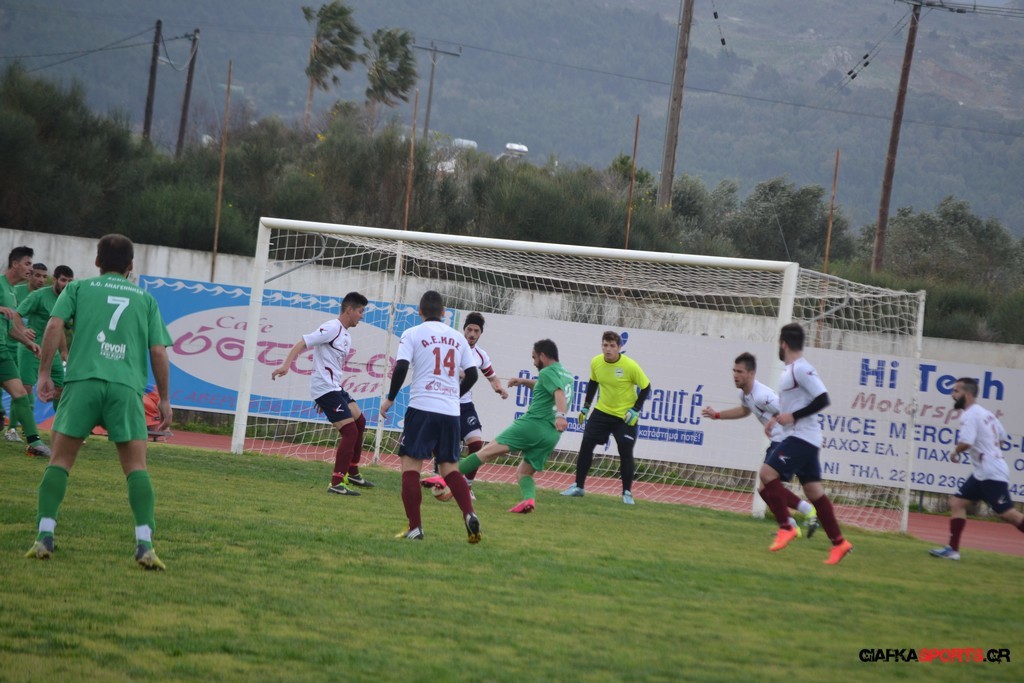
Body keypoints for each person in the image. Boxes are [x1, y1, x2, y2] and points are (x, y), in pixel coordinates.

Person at [25, 234, 173, 570]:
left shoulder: (78, 288)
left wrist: (44, 372)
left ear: (96, 262)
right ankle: (145, 544)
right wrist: (164, 398)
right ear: (131, 266)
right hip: (125, 388)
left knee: (60, 460)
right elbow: (158, 351)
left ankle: (44, 536)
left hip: (83, 383)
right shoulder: (145, 299)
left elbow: (54, 324)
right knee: (136, 467)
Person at [379, 290, 481, 542]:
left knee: (410, 467)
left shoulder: (412, 333)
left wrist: (390, 398)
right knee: (450, 469)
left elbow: (401, 367)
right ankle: (469, 513)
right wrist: (454, 395)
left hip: (422, 407)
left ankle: (415, 527)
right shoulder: (458, 338)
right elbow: (473, 375)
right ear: (444, 312)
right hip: (450, 412)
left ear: (420, 311)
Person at [762, 323, 853, 565]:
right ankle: (839, 542)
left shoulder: (801, 369)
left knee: (767, 473)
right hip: (803, 438)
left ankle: (786, 527)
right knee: (814, 492)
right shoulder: (792, 370)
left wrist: (793, 416)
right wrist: (777, 418)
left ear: (783, 343)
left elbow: (823, 399)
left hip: (803, 437)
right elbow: (794, 404)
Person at [701, 352, 819, 536]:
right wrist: (717, 415)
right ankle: (792, 525)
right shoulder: (744, 394)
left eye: (740, 371)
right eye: (734, 371)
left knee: (768, 482)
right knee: (764, 490)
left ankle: (806, 513)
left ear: (751, 374)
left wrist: (774, 419)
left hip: (787, 440)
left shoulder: (763, 395)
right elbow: (744, 411)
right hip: (777, 441)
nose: (735, 375)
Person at [271, 292, 372, 496]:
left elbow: (329, 364)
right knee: (350, 432)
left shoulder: (345, 335)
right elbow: (303, 342)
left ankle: (352, 472)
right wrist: (286, 365)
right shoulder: (332, 328)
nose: (362, 316)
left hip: (333, 388)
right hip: (325, 389)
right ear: (349, 310)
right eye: (360, 311)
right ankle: (336, 482)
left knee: (360, 421)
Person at [458, 338, 573, 514]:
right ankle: (528, 500)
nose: (534, 362)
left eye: (534, 357)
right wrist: (523, 381)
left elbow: (558, 392)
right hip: (551, 435)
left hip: (533, 425)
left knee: (486, 451)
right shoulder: (566, 375)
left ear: (543, 356)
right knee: (524, 473)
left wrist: (561, 416)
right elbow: (547, 387)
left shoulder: (547, 372)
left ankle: (445, 477)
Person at [929, 377, 1024, 560]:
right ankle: (953, 551)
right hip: (983, 472)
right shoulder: (986, 413)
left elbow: (966, 442)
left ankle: (953, 550)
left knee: (1007, 514)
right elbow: (1002, 437)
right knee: (957, 503)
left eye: (956, 391)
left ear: (967, 394)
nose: (952, 395)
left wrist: (955, 452)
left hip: (991, 473)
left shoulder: (970, 415)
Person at [424, 312, 508, 500]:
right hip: (446, 402)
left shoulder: (481, 355)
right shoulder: (452, 347)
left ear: (480, 333)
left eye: (476, 331)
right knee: (446, 446)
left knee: (476, 444)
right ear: (464, 330)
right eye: (469, 329)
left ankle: (467, 486)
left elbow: (492, 376)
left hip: (465, 404)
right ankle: (440, 473)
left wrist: (499, 388)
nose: (472, 334)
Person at [561, 331, 649, 505]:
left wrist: (635, 410)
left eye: (612, 346)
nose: (608, 349)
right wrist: (586, 406)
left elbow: (646, 387)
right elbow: (593, 382)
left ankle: (627, 493)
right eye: (605, 345)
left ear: (619, 347)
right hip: (602, 412)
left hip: (624, 416)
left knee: (625, 450)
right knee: (586, 443)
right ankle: (578, 487)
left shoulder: (630, 366)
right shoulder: (596, 362)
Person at [0, 246, 51, 456]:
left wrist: (28, 342)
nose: (30, 269)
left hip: (3, 352)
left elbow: (10, 328)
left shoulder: (12, 292)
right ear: (15, 264)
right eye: (27, 264)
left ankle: (35, 442)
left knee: (20, 393)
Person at [18, 265, 73, 410]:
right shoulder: (38, 295)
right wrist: (23, 330)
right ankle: (20, 423)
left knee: (61, 388)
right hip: (32, 348)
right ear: (54, 279)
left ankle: (59, 422)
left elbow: (58, 328)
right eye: (63, 280)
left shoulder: (68, 299)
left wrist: (64, 351)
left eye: (70, 281)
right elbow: (17, 315)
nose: (66, 284)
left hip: (52, 351)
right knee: (25, 389)